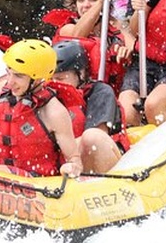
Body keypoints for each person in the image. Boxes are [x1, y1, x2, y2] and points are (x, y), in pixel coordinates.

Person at [0, 39, 83, 178]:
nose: (10, 81)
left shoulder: (54, 112)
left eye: (19, 76)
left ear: (37, 79)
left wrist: (71, 167)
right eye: (9, 73)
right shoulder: (2, 91)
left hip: (36, 182)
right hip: (1, 177)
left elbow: (75, 160)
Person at [41, 0, 135, 93]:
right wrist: (100, 2)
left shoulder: (112, 24)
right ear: (75, 4)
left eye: (92, 0)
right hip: (80, 92)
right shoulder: (68, 27)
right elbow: (78, 36)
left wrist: (128, 51)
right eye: (81, 0)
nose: (86, 5)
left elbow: (133, 44)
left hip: (112, 90)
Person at [51, 40, 129, 174]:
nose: (55, 84)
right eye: (51, 79)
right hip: (69, 163)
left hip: (100, 157)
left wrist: (57, 153)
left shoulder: (100, 92)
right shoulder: (48, 96)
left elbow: (97, 136)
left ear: (81, 74)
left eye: (61, 79)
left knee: (92, 137)